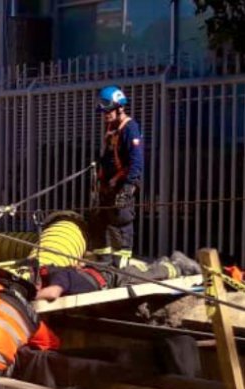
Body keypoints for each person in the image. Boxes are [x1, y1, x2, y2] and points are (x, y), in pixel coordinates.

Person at [90, 86, 144, 269]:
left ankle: (121, 268)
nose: (104, 114)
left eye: (108, 110)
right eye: (102, 111)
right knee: (100, 221)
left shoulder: (130, 128)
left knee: (121, 223)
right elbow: (108, 156)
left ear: (120, 107)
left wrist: (128, 187)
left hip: (122, 185)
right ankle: (103, 265)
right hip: (108, 185)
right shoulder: (112, 127)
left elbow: (136, 160)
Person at [34, 251, 201, 301]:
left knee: (151, 274)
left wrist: (30, 297)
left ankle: (180, 266)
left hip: (116, 278)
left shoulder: (59, 276)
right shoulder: (62, 273)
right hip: (107, 275)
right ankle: (165, 262)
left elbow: (52, 293)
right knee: (147, 272)